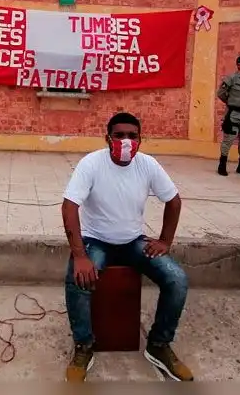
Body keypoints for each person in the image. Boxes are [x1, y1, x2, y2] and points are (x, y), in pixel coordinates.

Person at [61, 112, 193, 382]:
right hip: (95, 240)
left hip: (133, 241)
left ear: (140, 140)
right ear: (107, 137)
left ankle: (158, 345)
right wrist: (79, 255)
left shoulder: (147, 165)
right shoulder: (92, 164)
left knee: (177, 279)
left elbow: (174, 201)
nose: (126, 140)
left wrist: (165, 240)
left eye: (132, 136)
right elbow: (69, 206)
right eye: (119, 135)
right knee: (78, 279)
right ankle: (84, 346)